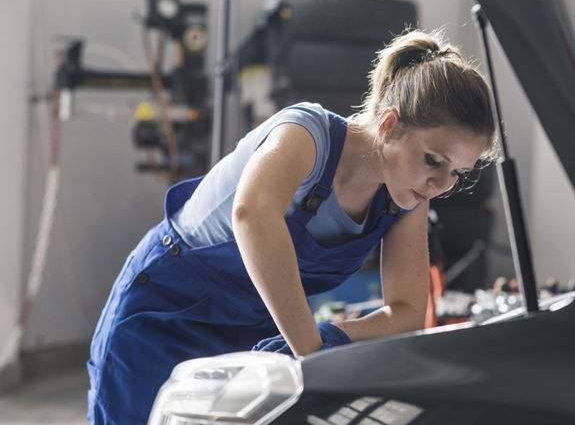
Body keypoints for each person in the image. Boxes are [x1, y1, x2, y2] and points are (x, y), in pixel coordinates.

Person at [86, 28, 496, 425]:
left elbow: (408, 311)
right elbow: (252, 215)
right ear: (389, 125)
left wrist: (333, 336)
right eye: (433, 160)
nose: (442, 186)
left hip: (261, 331)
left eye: (458, 173)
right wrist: (311, 349)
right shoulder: (307, 134)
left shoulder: (406, 196)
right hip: (162, 314)